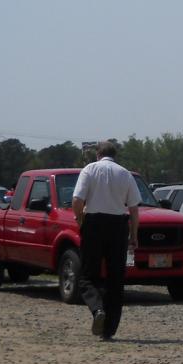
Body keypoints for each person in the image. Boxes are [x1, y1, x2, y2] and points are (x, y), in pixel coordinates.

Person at [71, 140, 140, 341]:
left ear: (98, 154)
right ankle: (108, 330)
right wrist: (134, 235)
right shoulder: (125, 174)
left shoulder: (89, 169)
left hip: (94, 223)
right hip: (118, 226)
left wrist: (80, 220)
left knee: (87, 276)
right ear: (115, 155)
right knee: (116, 278)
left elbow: (77, 200)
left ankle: (97, 308)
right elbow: (134, 209)